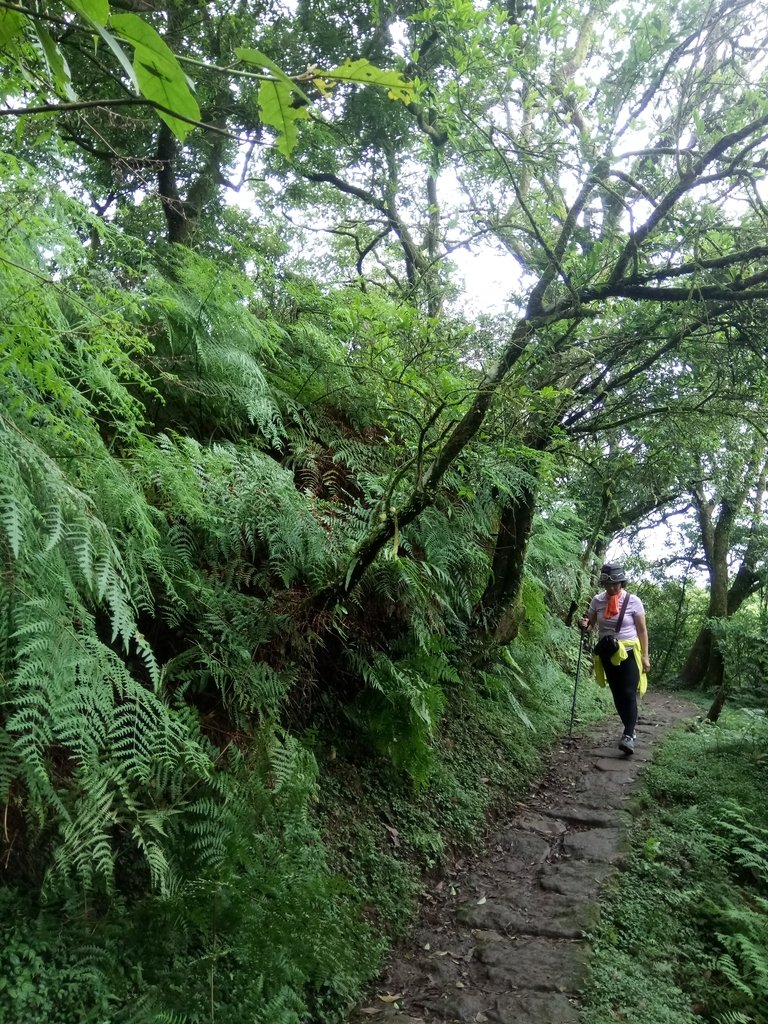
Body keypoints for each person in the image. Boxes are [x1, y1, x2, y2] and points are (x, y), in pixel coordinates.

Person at [580, 563, 650, 755]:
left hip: (628, 652)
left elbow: (642, 630)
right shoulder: (597, 601)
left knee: (628, 692)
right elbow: (590, 625)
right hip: (608, 652)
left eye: (615, 584)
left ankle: (628, 735)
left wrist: (645, 655)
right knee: (617, 694)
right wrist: (584, 624)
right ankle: (630, 729)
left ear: (621, 583)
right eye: (607, 585)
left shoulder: (633, 601)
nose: (611, 589)